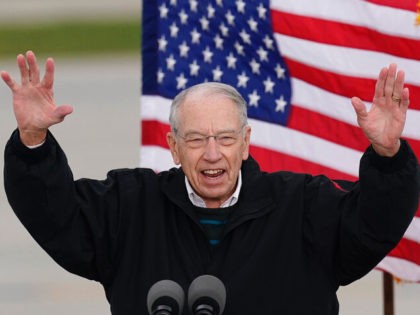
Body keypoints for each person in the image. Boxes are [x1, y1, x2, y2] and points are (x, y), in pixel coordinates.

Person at [1, 51, 418, 315]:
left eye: (225, 138)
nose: (213, 153)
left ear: (246, 144)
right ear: (174, 147)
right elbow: (56, 218)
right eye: (197, 140)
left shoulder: (303, 206)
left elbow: (373, 223)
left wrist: (387, 155)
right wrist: (33, 142)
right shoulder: (130, 206)